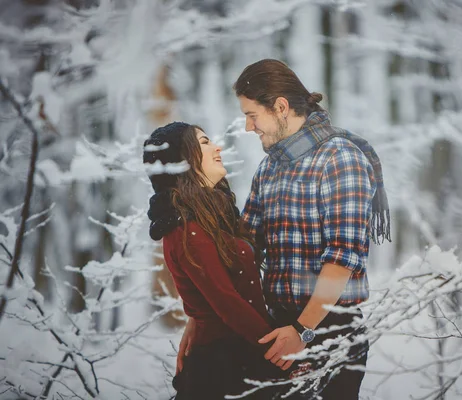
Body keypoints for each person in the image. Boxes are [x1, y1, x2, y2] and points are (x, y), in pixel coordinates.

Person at [234, 59, 391, 399]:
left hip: (328, 332)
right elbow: (243, 248)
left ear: (280, 107)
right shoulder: (269, 169)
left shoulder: (340, 159)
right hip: (279, 328)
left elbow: (342, 258)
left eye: (252, 114)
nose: (248, 127)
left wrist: (302, 330)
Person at [143, 122, 288, 400]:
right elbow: (226, 303)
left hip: (241, 354)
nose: (217, 147)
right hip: (223, 367)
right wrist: (278, 351)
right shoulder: (187, 229)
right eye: (205, 142)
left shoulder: (210, 215)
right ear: (182, 160)